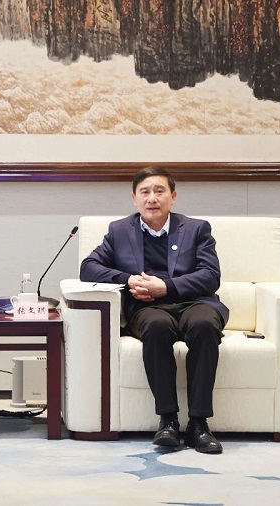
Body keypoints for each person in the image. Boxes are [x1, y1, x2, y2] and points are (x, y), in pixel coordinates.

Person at [80, 166, 227, 454]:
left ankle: (199, 424)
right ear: (134, 198)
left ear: (173, 196)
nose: (152, 198)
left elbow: (211, 275)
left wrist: (167, 286)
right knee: (157, 327)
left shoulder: (197, 229)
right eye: (145, 192)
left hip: (194, 302)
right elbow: (88, 268)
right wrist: (127, 279)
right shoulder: (119, 230)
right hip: (147, 306)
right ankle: (168, 420)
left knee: (205, 325)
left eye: (159, 191)